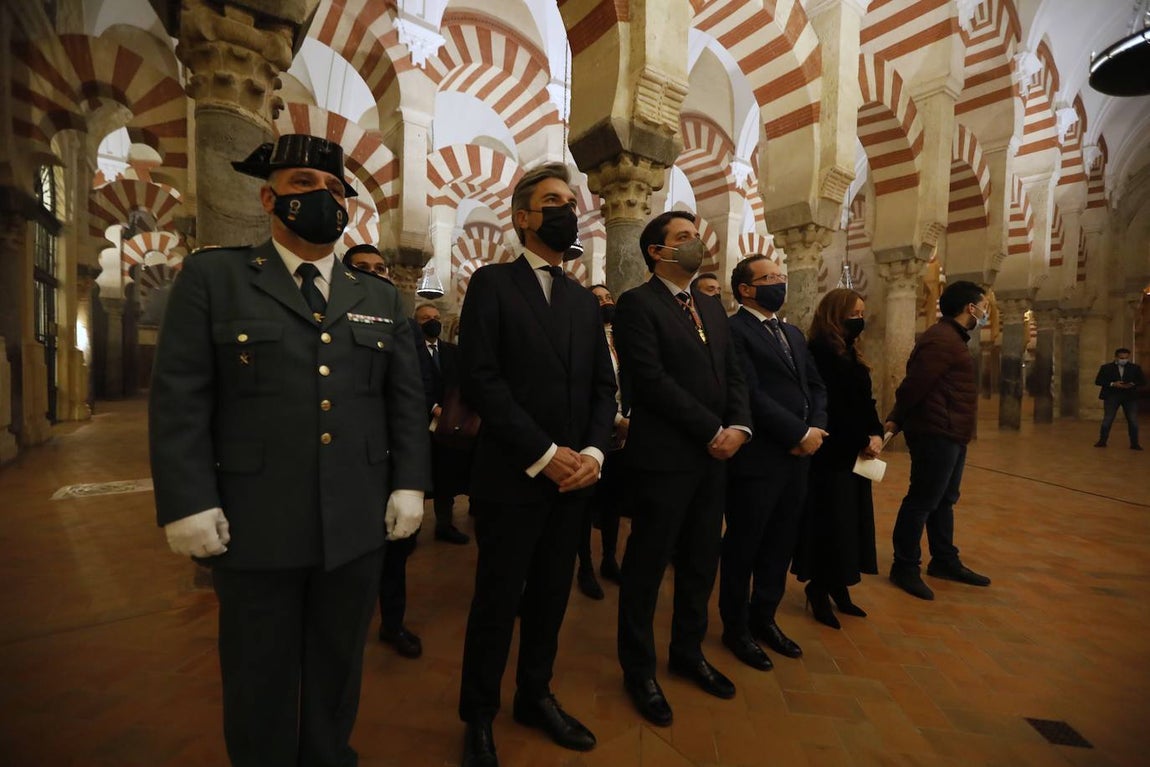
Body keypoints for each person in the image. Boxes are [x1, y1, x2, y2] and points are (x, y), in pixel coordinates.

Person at [149, 134, 430, 767]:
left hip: (356, 522)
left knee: (337, 668)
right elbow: (180, 399)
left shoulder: (380, 297)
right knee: (258, 672)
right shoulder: (214, 278)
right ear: (269, 197)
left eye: (335, 189)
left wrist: (410, 483)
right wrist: (188, 502)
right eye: (305, 184)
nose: (324, 198)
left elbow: (404, 402)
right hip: (256, 521)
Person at [456, 163, 617, 767]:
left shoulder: (580, 298)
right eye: (552, 201)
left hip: (574, 480)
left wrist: (595, 453)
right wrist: (545, 456)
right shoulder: (493, 284)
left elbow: (606, 386)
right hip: (515, 475)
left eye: (570, 201)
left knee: (551, 597)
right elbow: (483, 379)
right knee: (497, 600)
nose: (566, 210)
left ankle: (535, 694)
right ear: (523, 217)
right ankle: (478, 715)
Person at [614, 211, 751, 727]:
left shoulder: (712, 307)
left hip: (713, 460)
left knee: (700, 560)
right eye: (684, 237)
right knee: (647, 566)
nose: (695, 243)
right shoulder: (637, 304)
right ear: (656, 250)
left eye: (696, 236)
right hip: (665, 459)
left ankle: (688, 652)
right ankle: (639, 668)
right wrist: (709, 430)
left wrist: (739, 425)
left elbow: (734, 373)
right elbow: (648, 380)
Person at [721, 255, 826, 670]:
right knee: (744, 544)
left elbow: (814, 386)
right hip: (761, 456)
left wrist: (815, 427)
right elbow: (748, 393)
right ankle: (735, 628)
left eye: (782, 277)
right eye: (770, 278)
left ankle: (764, 616)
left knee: (781, 542)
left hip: (798, 457)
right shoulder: (734, 331)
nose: (780, 283)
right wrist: (797, 434)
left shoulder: (793, 333)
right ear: (746, 289)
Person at [341, 244, 426, 659]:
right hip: (349, 461)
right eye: (363, 268)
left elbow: (411, 392)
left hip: (388, 458)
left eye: (381, 268)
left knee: (395, 554)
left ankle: (393, 623)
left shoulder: (403, 324)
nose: (376, 274)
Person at [885, 280, 990, 601]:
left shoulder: (952, 338)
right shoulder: (941, 340)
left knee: (944, 500)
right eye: (984, 306)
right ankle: (904, 566)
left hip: (951, 432)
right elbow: (913, 386)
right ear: (970, 308)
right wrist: (897, 420)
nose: (986, 312)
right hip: (936, 432)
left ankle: (944, 559)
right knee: (922, 501)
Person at [791, 288, 881, 629]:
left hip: (854, 453)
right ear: (835, 314)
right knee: (832, 523)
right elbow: (830, 407)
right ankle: (820, 588)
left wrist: (875, 434)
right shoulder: (820, 353)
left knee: (851, 523)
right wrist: (861, 437)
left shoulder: (852, 354)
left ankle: (840, 585)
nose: (859, 319)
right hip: (830, 453)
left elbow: (865, 402)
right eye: (854, 313)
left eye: (862, 312)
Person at [575, 284, 628, 600]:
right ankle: (584, 567)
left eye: (609, 297)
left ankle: (609, 558)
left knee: (613, 503)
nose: (606, 302)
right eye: (598, 299)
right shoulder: (582, 340)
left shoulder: (621, 340)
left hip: (619, 439)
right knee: (584, 505)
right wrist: (617, 419)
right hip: (592, 432)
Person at [414, 302, 473, 543]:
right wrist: (433, 407)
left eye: (436, 316)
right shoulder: (409, 350)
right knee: (418, 474)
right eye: (426, 318)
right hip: (419, 421)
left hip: (449, 424)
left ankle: (444, 524)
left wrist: (452, 410)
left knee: (446, 474)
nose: (433, 321)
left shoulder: (452, 351)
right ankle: (412, 528)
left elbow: (460, 383)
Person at [1094, 347, 1144, 450]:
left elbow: (1142, 381)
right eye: (1121, 358)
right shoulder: (1106, 367)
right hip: (1112, 395)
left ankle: (1135, 443)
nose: (1124, 360)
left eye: (1126, 358)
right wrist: (1113, 384)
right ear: (1116, 357)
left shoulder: (1135, 368)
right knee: (1108, 419)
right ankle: (1102, 441)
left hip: (1130, 396)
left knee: (1133, 420)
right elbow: (1098, 381)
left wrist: (1132, 384)